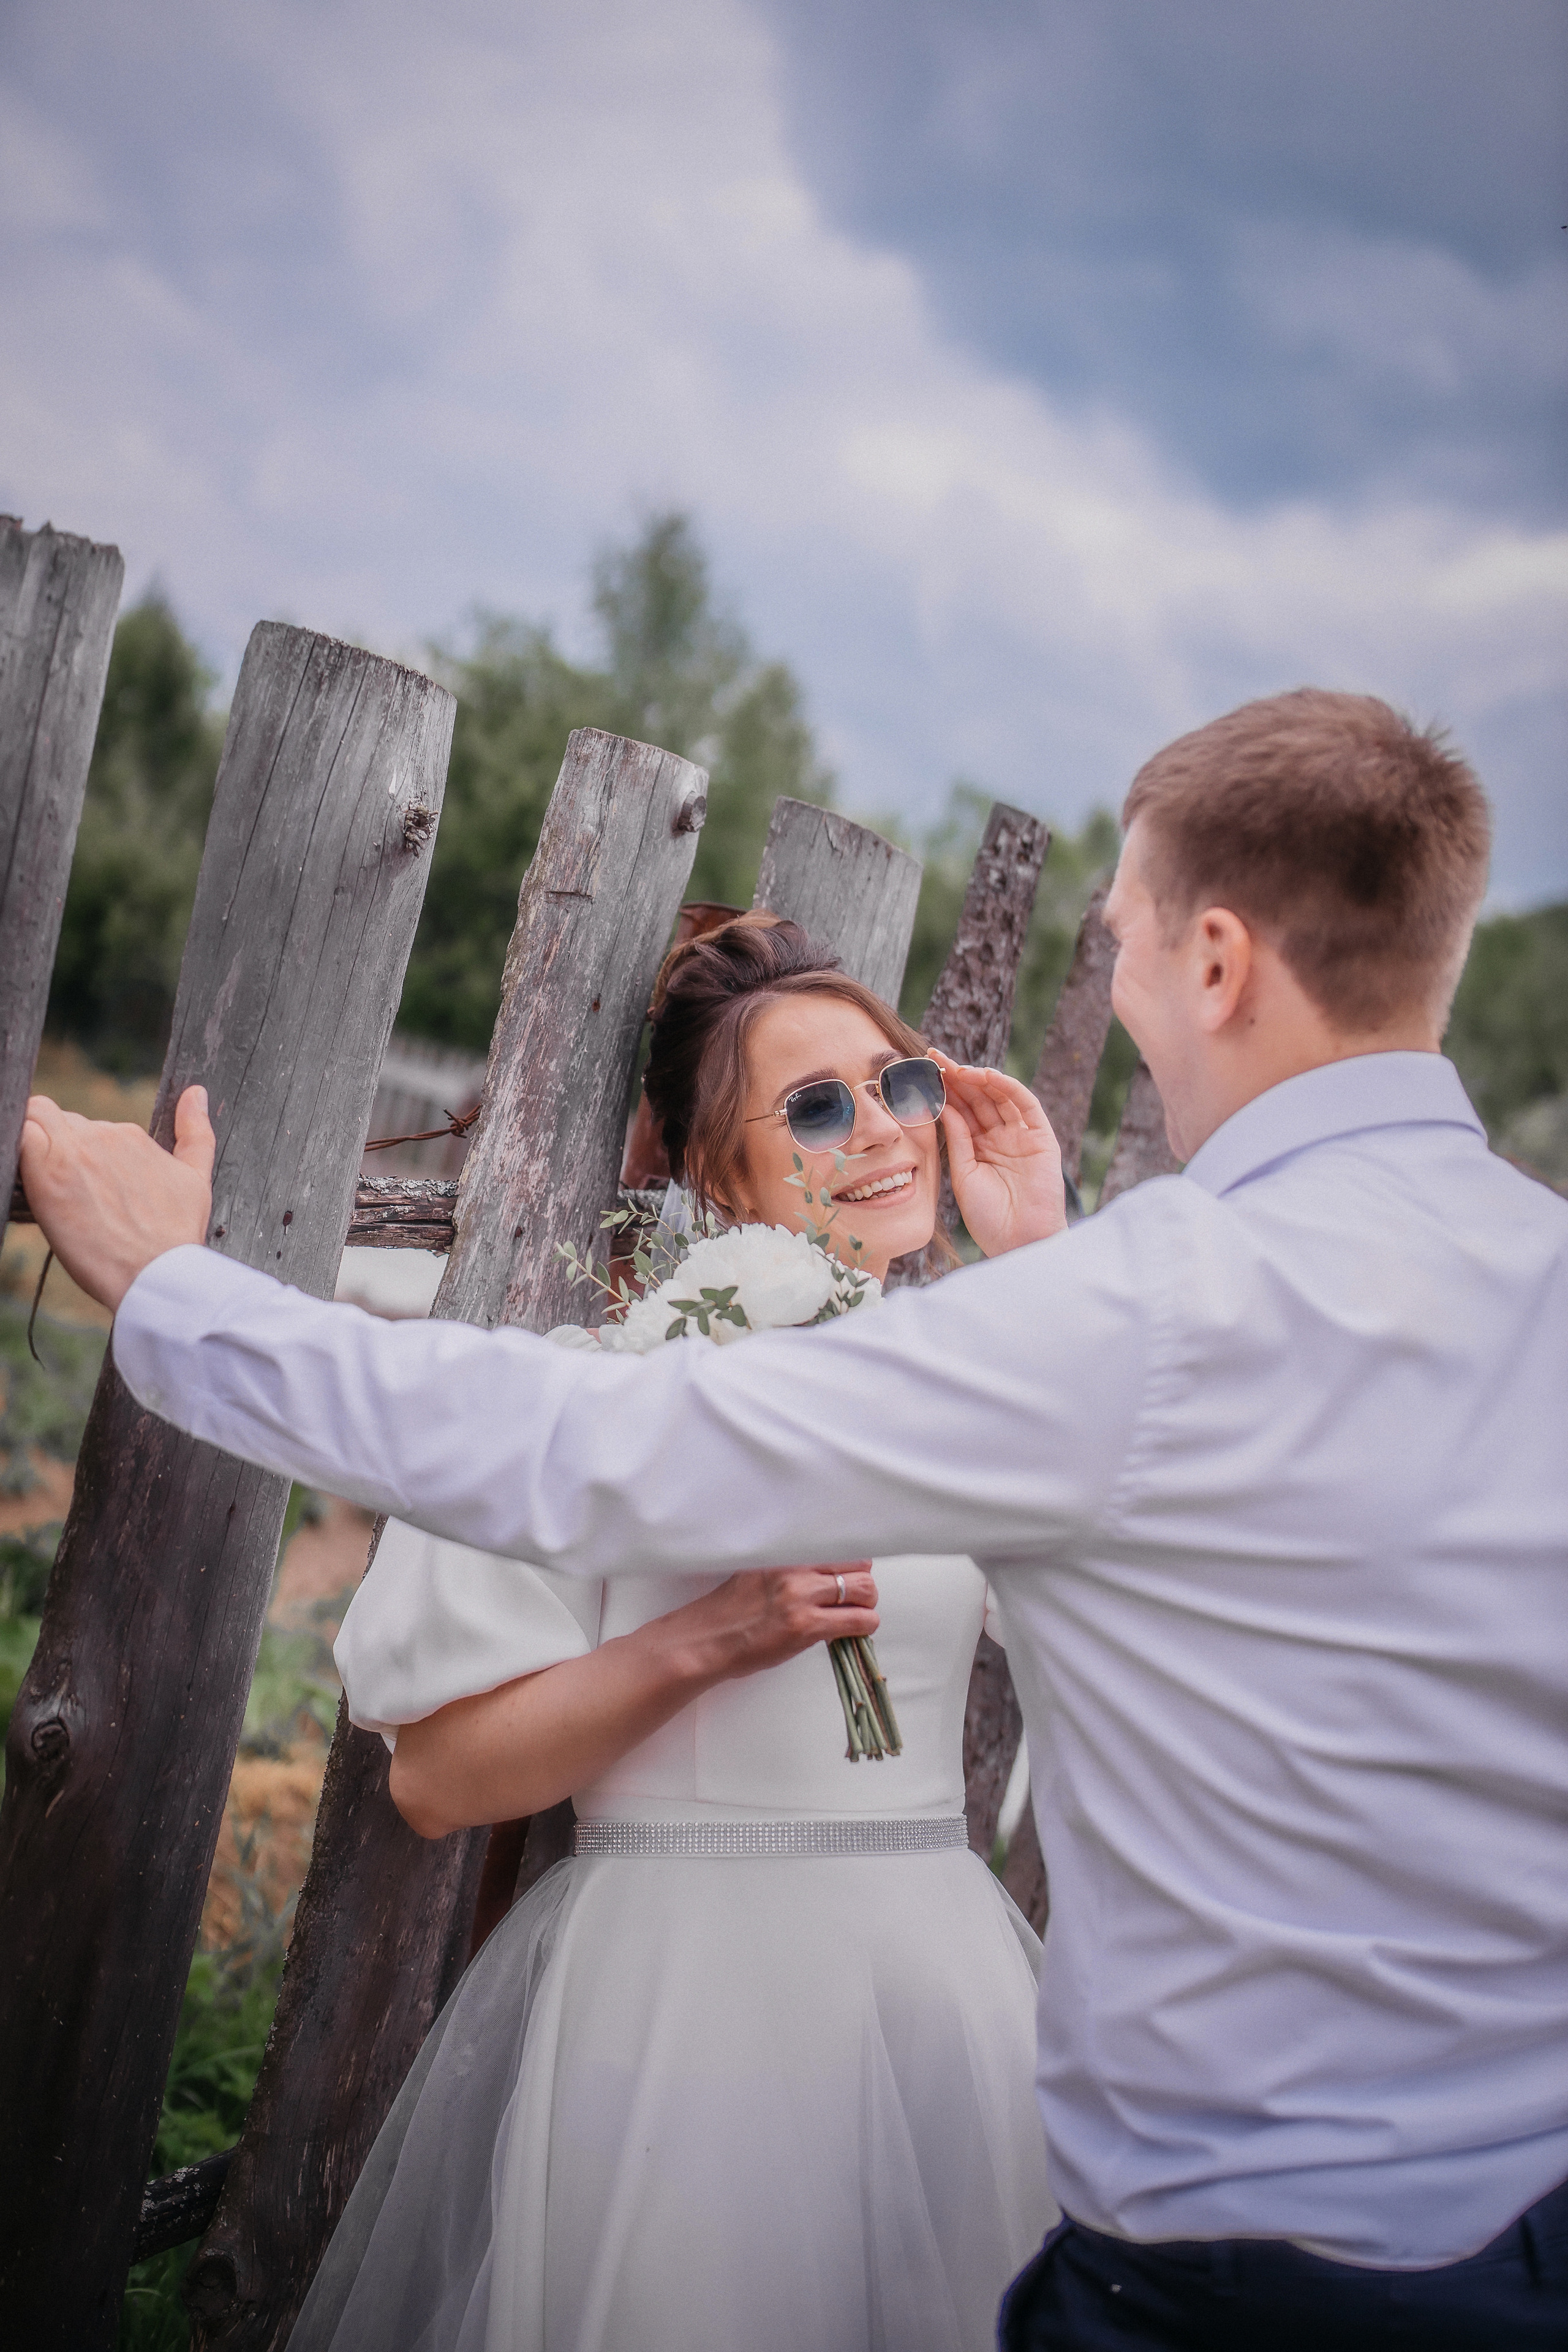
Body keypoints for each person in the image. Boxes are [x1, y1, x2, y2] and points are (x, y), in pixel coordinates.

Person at [23, 689, 1568, 2350]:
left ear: (1214, 962)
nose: (1110, 980)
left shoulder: (1141, 1315)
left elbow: (565, 1447)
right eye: (818, 1105)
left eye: (1122, 933)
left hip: (1209, 2256)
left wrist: (176, 1292)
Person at [287, 911, 1064, 2351]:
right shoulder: (605, 1396)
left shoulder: (980, 1408)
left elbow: (1132, 1618)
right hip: (684, 2001)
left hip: (931, 1985)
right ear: (715, 1174)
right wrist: (708, 1638)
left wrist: (1037, 1266)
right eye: (814, 1109)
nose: (879, 1132)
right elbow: (438, 1782)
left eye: (896, 1086)